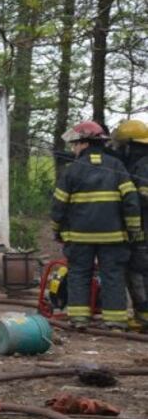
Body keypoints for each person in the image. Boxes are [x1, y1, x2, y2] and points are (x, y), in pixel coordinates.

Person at [51, 120, 140, 329]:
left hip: (79, 237)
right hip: (114, 236)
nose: (74, 148)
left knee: (79, 274)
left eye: (75, 144)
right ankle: (115, 321)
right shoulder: (117, 167)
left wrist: (57, 230)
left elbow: (58, 206)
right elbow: (131, 200)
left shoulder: (72, 171)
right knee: (112, 276)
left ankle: (80, 319)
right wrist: (133, 229)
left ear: (84, 143)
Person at [111, 119, 148, 329]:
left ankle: (144, 316)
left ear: (130, 144)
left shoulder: (143, 165)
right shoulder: (138, 163)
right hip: (141, 227)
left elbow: (143, 196)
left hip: (143, 230)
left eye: (120, 146)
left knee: (139, 272)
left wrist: (128, 195)